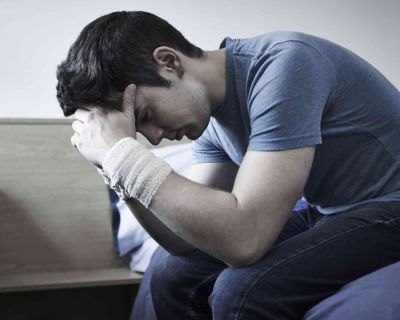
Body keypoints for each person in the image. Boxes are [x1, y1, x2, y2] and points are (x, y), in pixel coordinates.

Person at [56, 11, 400, 320]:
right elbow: (183, 239)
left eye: (145, 116)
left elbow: (245, 240)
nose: (155, 138)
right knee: (170, 274)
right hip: (334, 211)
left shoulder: (285, 64)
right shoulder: (214, 117)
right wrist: (116, 167)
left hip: (392, 205)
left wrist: (125, 155)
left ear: (169, 62)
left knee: (243, 290)